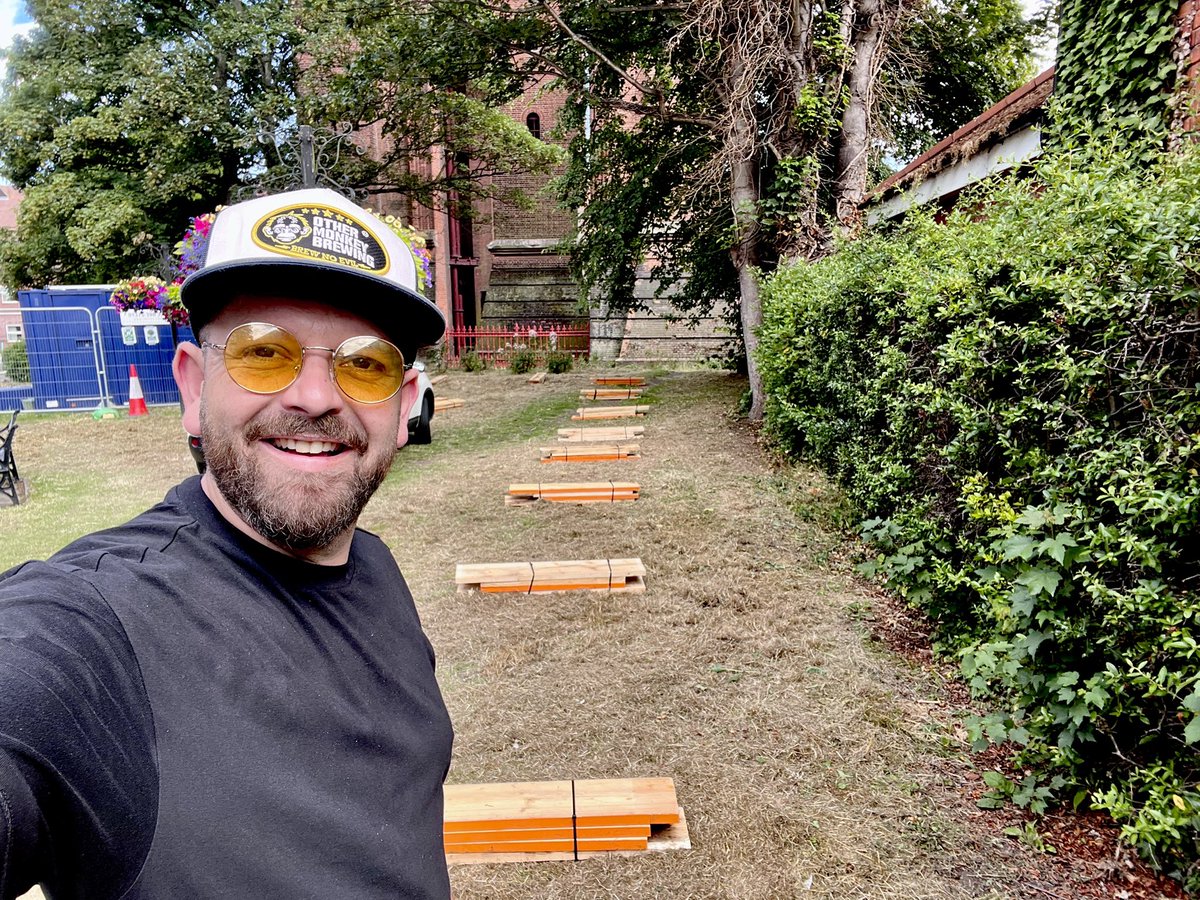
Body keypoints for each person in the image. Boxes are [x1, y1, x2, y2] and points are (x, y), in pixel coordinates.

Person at [0, 188, 454, 899]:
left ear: (405, 405)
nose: (315, 398)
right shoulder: (92, 627)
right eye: (263, 353)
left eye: (365, 364)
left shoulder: (374, 568)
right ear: (192, 386)